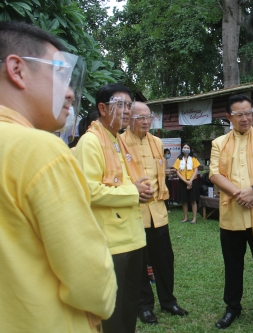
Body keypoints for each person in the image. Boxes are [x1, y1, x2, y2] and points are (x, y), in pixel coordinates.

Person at [0, 21, 117, 332]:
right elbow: (91, 280)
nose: (69, 94)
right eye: (61, 75)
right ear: (18, 70)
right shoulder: (39, 149)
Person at [74, 83, 151, 333]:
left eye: (129, 105)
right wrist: (133, 192)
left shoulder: (116, 140)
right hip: (111, 242)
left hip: (132, 237)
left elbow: (120, 183)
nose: (127, 111)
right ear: (103, 108)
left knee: (129, 306)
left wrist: (137, 189)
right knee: (112, 312)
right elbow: (90, 191)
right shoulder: (91, 142)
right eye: (121, 105)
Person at [209, 94, 253, 333]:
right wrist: (240, 194)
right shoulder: (219, 142)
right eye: (239, 114)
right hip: (232, 216)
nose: (245, 118)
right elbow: (214, 174)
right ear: (229, 116)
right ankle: (232, 308)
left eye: (248, 113)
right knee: (233, 265)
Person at [121, 102, 189, 324]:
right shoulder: (119, 143)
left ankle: (168, 301)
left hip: (158, 211)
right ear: (129, 118)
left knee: (164, 258)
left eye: (148, 117)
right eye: (140, 118)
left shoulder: (157, 142)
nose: (146, 121)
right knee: (139, 260)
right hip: (134, 210)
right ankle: (144, 305)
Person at [173, 143, 201, 223]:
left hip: (192, 181)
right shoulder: (179, 159)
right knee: (184, 200)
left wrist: (190, 181)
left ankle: (194, 218)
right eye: (184, 147)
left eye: (187, 147)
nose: (185, 148)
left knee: (193, 200)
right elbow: (177, 172)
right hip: (183, 182)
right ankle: (185, 218)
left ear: (190, 149)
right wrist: (186, 182)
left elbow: (196, 170)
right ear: (182, 149)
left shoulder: (193, 159)